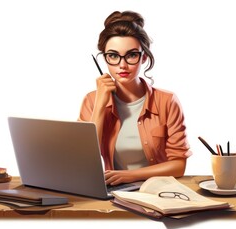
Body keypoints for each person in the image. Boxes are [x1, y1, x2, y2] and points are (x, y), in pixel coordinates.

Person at [79, 10, 192, 186]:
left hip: (159, 191)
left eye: (131, 55)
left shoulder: (167, 101)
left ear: (144, 57)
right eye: (113, 56)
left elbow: (178, 165)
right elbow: (83, 159)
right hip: (115, 192)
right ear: (105, 58)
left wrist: (130, 176)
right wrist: (101, 104)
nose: (122, 65)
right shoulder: (92, 100)